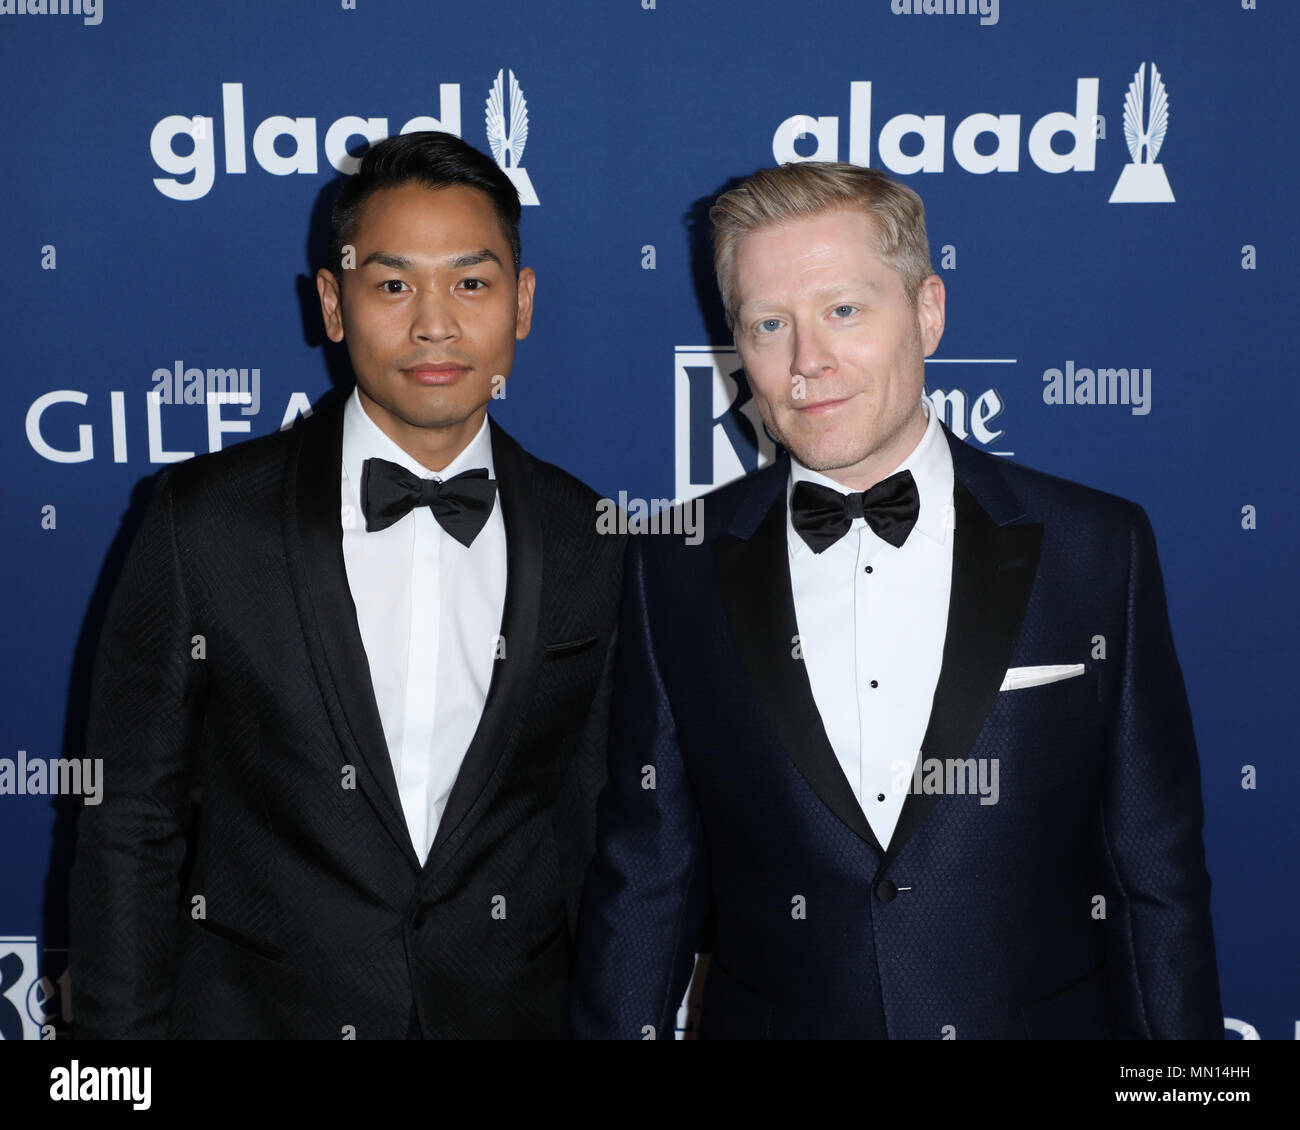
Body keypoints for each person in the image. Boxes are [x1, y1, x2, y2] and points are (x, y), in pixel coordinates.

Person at [572, 161, 1223, 1039]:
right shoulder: (672, 566)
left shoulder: (1095, 550)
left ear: (927, 311)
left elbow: (1157, 875)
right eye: (771, 324)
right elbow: (648, 878)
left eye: (844, 310)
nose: (809, 363)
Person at [70, 131, 624, 1039]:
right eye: (394, 284)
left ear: (522, 304)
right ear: (333, 302)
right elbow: (128, 822)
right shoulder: (203, 521)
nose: (435, 323)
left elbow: (606, 836)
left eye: (472, 283)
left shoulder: (590, 539)